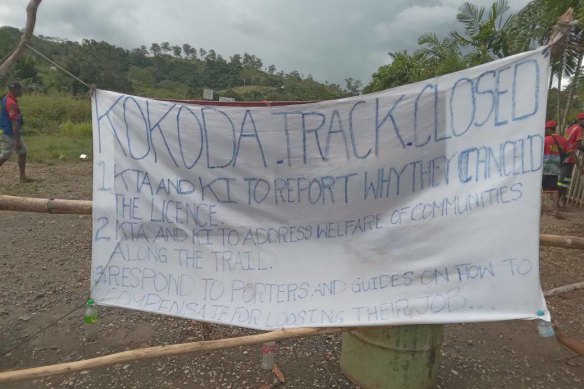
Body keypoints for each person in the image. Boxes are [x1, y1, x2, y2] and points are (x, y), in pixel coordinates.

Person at [0, 81, 30, 182]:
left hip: (13, 132)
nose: (21, 91)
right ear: (14, 90)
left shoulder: (7, 99)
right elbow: (14, 124)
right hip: (9, 133)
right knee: (5, 156)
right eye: (20, 89)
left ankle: (22, 177)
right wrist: (17, 142)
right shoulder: (11, 103)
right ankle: (22, 177)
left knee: (23, 152)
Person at [542, 120, 568, 218]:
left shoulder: (545, 140)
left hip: (543, 168)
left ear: (549, 129)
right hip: (554, 169)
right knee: (554, 190)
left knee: (539, 188)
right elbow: (566, 154)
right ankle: (554, 210)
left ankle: (539, 209)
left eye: (545, 129)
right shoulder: (563, 140)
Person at [558, 113, 584, 208]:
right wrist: (580, 167)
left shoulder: (572, 127)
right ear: (581, 120)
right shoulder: (580, 129)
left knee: (564, 181)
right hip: (568, 158)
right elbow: (576, 148)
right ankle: (557, 204)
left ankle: (561, 203)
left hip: (564, 156)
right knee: (563, 181)